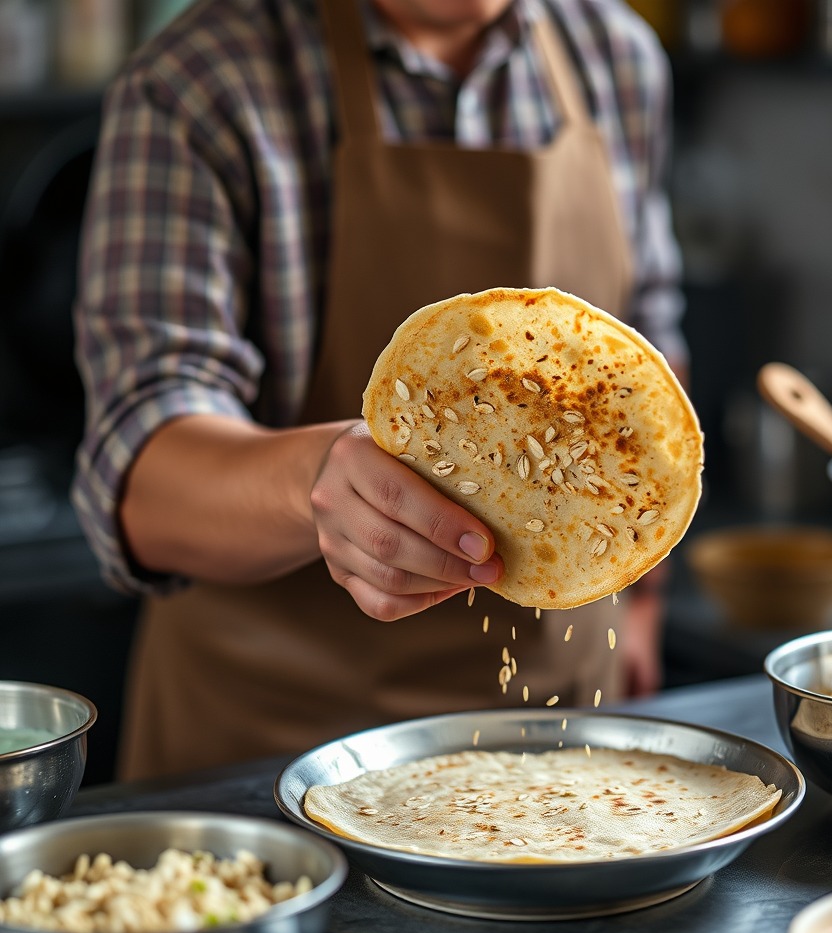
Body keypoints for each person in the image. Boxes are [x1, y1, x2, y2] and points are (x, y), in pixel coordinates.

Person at [72, 0, 689, 781]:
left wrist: (642, 604)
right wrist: (315, 477)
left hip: (555, 737)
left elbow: (649, 364)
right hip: (273, 756)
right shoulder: (201, 80)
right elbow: (141, 479)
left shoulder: (617, 56)